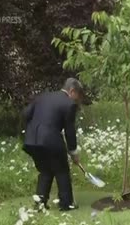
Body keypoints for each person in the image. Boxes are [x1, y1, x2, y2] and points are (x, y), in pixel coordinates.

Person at [22, 77, 84, 211]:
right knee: (62, 170)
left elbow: (26, 114)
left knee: (45, 171)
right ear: (72, 91)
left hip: (31, 140)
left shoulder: (42, 96)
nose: (77, 100)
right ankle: (66, 203)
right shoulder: (69, 104)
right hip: (50, 139)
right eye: (78, 96)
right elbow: (69, 131)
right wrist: (73, 152)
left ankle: (40, 203)